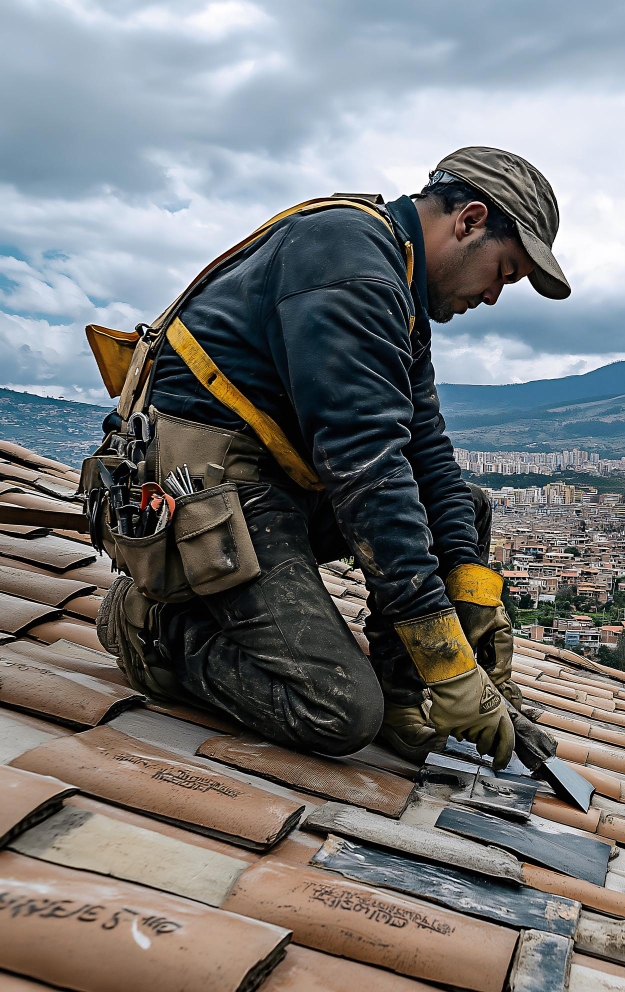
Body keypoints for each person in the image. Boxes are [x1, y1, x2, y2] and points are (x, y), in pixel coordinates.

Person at [95, 146, 570, 769]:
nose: (493, 297)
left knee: (466, 507)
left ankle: (408, 701)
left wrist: (476, 598)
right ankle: (150, 629)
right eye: (503, 273)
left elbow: (427, 459)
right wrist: (449, 663)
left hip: (271, 490)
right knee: (338, 711)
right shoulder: (349, 263)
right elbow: (368, 471)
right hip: (203, 495)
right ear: (470, 221)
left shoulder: (397, 290)